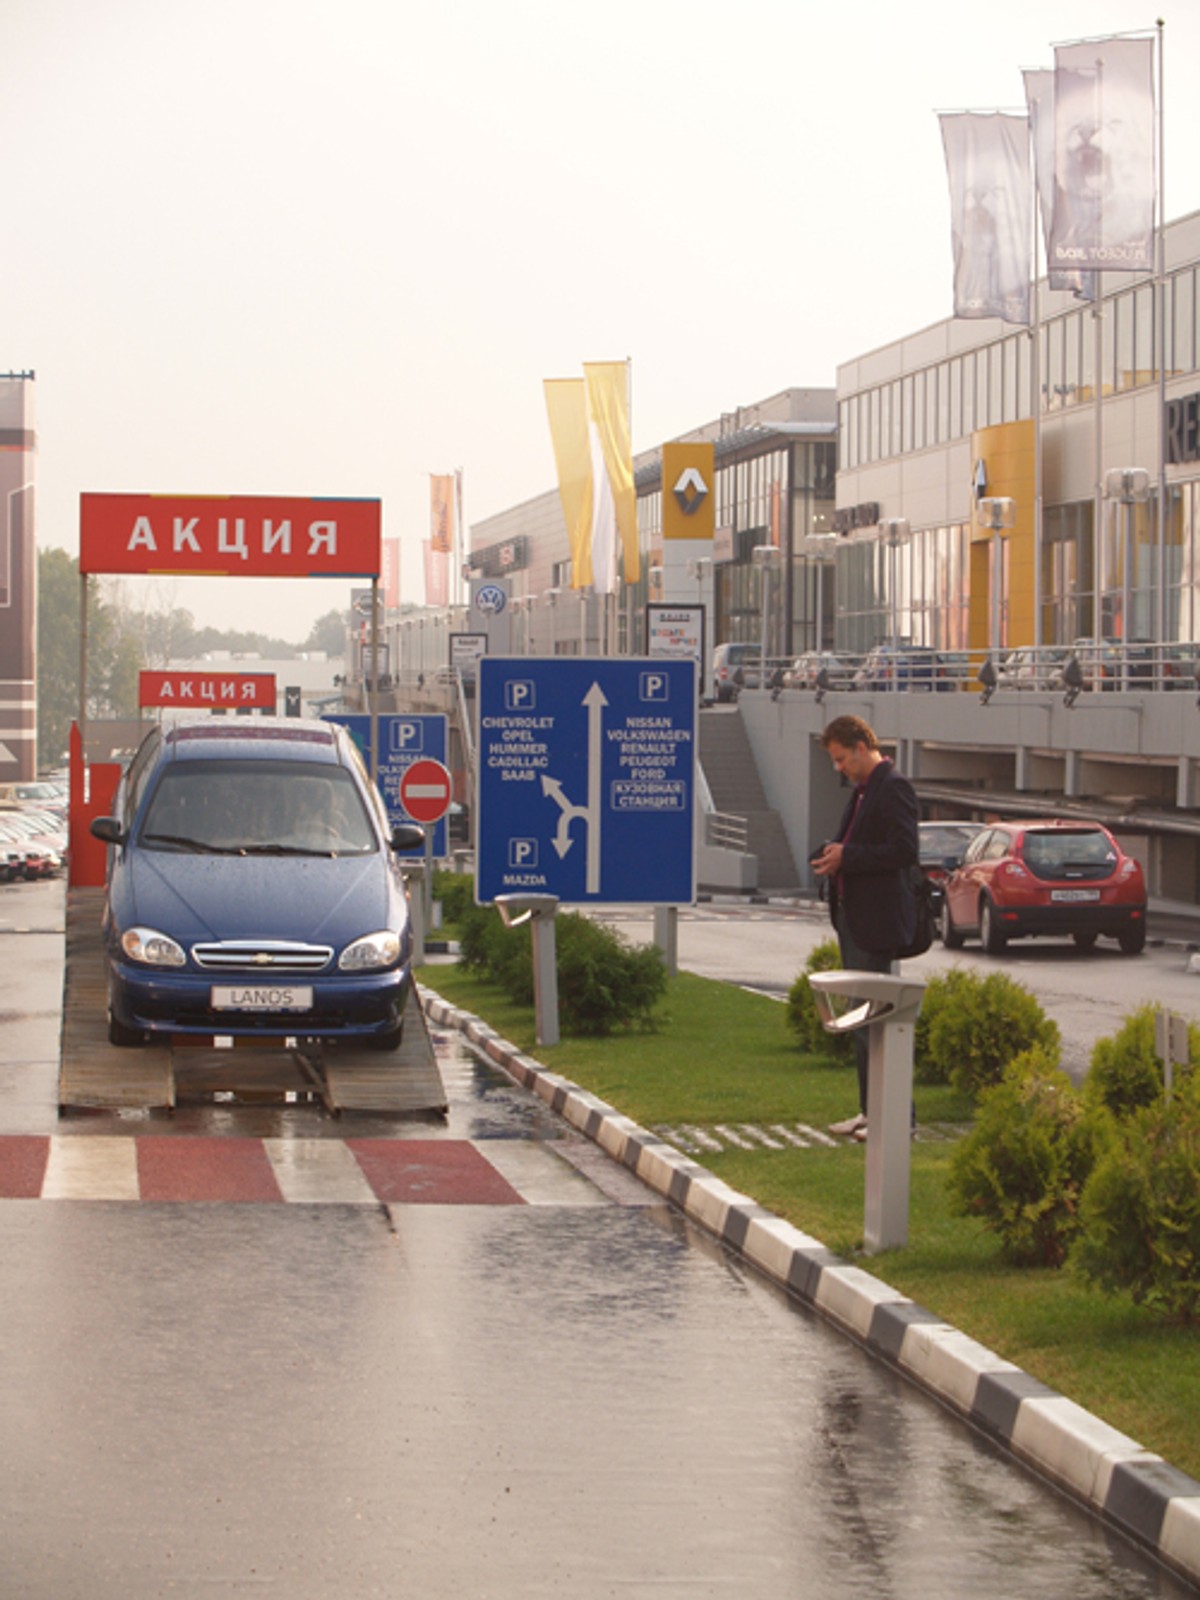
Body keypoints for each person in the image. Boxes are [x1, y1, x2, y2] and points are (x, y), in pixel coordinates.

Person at [810, 715, 918, 1142]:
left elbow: (904, 850)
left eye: (840, 759)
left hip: (876, 923)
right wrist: (830, 854)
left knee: (876, 1019)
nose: (838, 768)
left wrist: (848, 858)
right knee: (863, 1021)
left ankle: (895, 1119)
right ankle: (870, 1111)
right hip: (855, 920)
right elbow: (856, 844)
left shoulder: (892, 787)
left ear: (860, 747)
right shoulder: (862, 792)